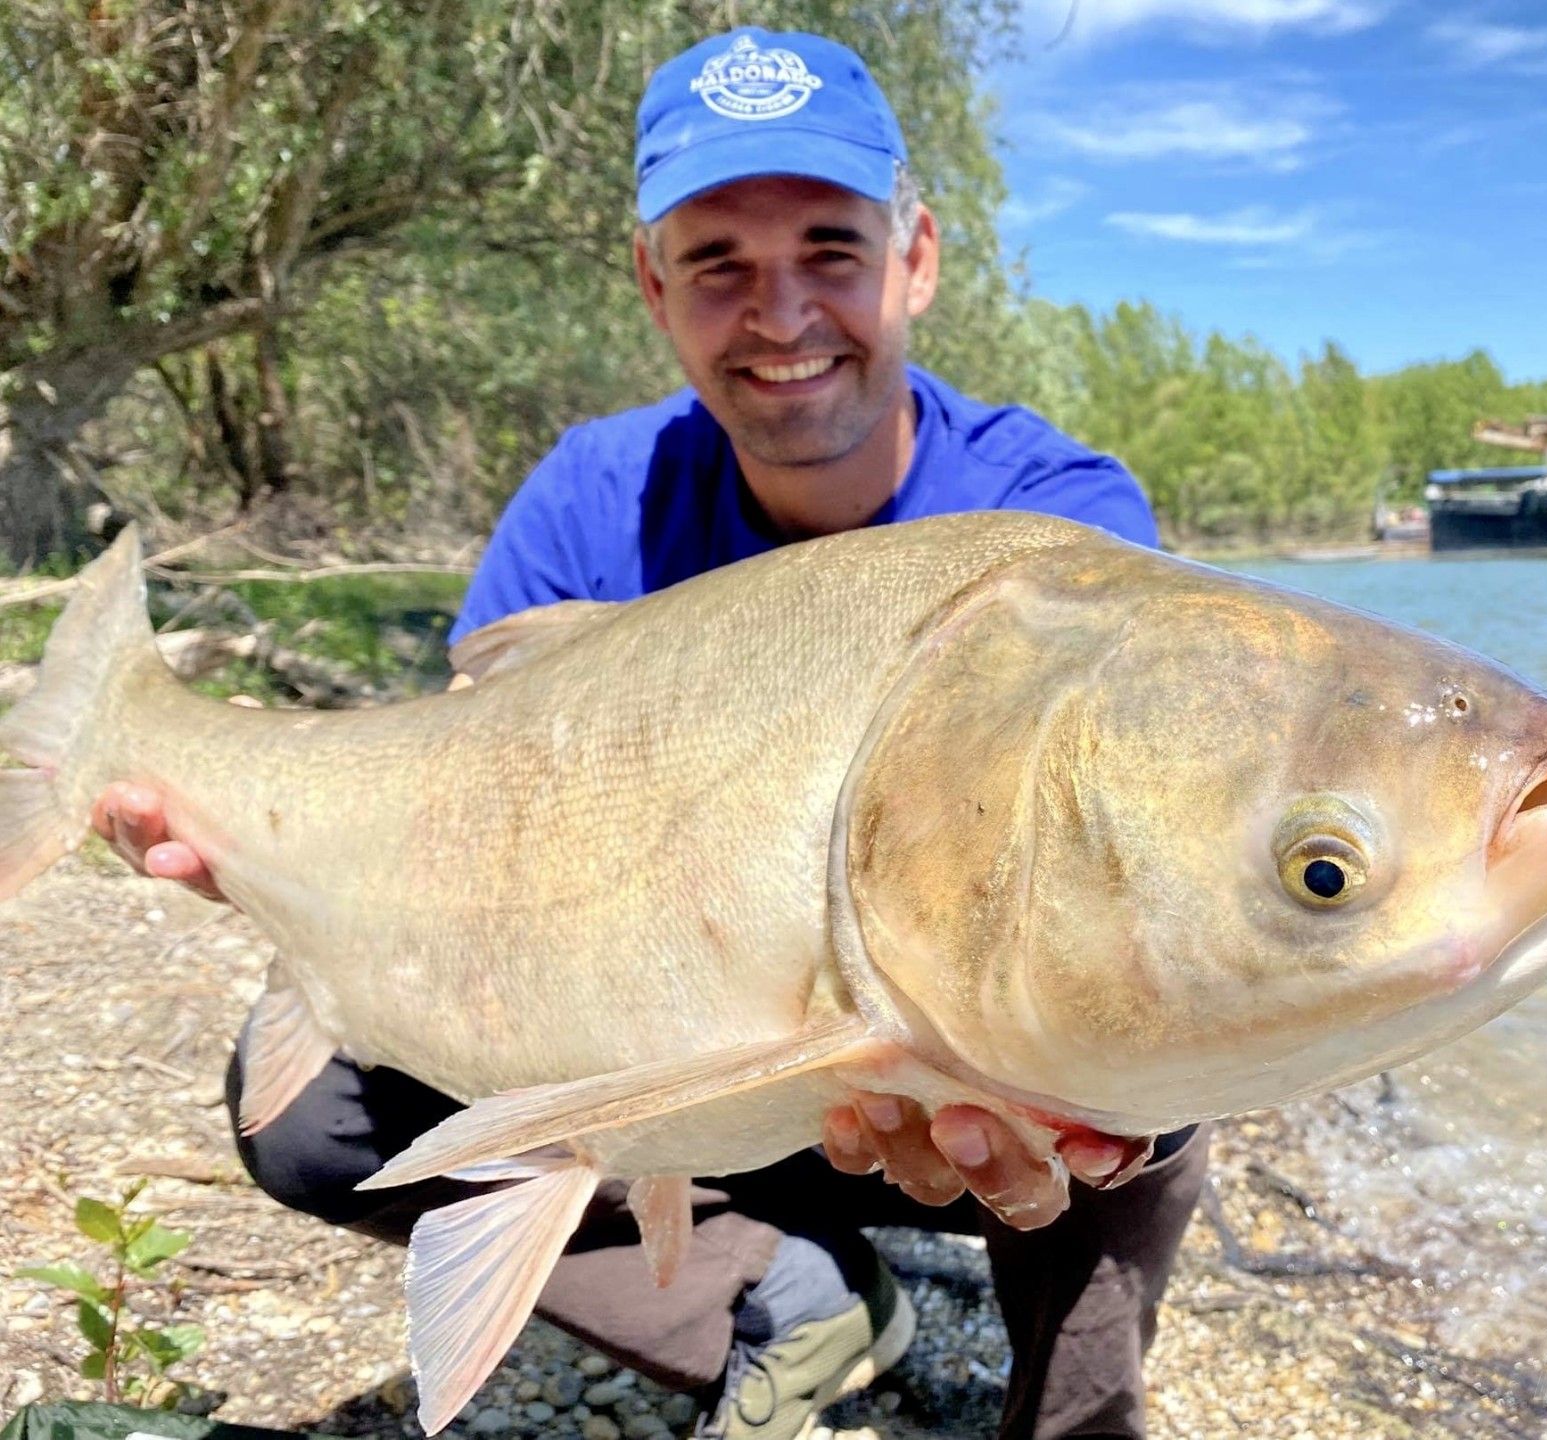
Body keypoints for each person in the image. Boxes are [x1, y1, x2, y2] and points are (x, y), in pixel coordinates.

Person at [93, 27, 1211, 1440]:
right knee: (305, 1121)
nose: (782, 312)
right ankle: (782, 1293)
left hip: (928, 1073)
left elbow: (1147, 828)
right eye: (718, 265)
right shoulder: (589, 500)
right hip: (676, 1066)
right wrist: (254, 851)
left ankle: (1077, 1408)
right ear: (651, 286)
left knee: (1150, 1032)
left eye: (828, 249)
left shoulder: (1055, 519)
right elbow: (456, 804)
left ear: (915, 255)